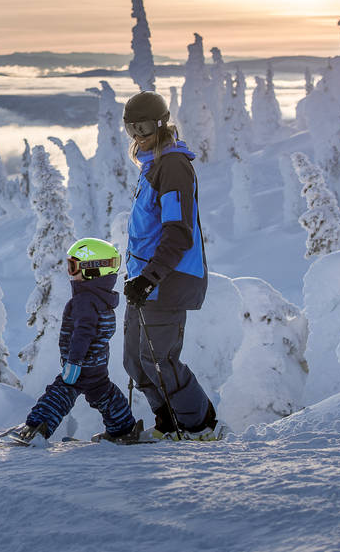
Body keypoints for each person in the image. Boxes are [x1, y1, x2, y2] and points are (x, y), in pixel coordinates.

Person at [121, 90, 224, 441]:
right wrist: (137, 274)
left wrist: (149, 278)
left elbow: (177, 233)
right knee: (135, 361)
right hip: (145, 278)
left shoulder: (173, 166)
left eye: (145, 126)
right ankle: (169, 423)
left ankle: (200, 425)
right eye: (131, 128)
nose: (138, 135)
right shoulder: (153, 164)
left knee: (158, 359)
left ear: (162, 124)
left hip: (167, 279)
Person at [15, 237, 142, 444]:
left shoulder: (85, 300)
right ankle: (124, 429)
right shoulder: (102, 298)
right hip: (97, 366)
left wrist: (74, 362)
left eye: (73, 267)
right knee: (104, 394)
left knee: (60, 392)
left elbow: (83, 333)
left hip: (81, 365)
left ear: (93, 269)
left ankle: (36, 429)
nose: (70, 273)